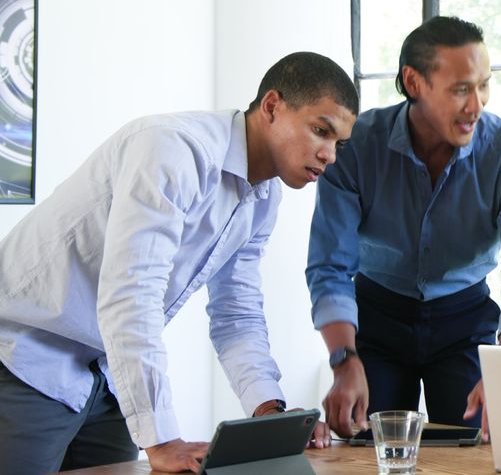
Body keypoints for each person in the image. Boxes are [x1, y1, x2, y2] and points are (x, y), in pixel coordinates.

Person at [0, 51, 359, 474]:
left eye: (339, 143)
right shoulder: (171, 148)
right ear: (272, 107)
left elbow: (236, 312)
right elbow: (131, 296)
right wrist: (162, 439)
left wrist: (269, 410)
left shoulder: (263, 198)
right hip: (26, 358)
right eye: (321, 131)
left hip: (108, 374)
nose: (330, 155)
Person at [306, 16, 501, 440]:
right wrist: (343, 361)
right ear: (414, 82)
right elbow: (330, 266)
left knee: (482, 438)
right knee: (364, 441)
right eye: (460, 89)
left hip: (464, 319)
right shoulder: (356, 145)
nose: (476, 105)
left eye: (483, 85)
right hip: (376, 318)